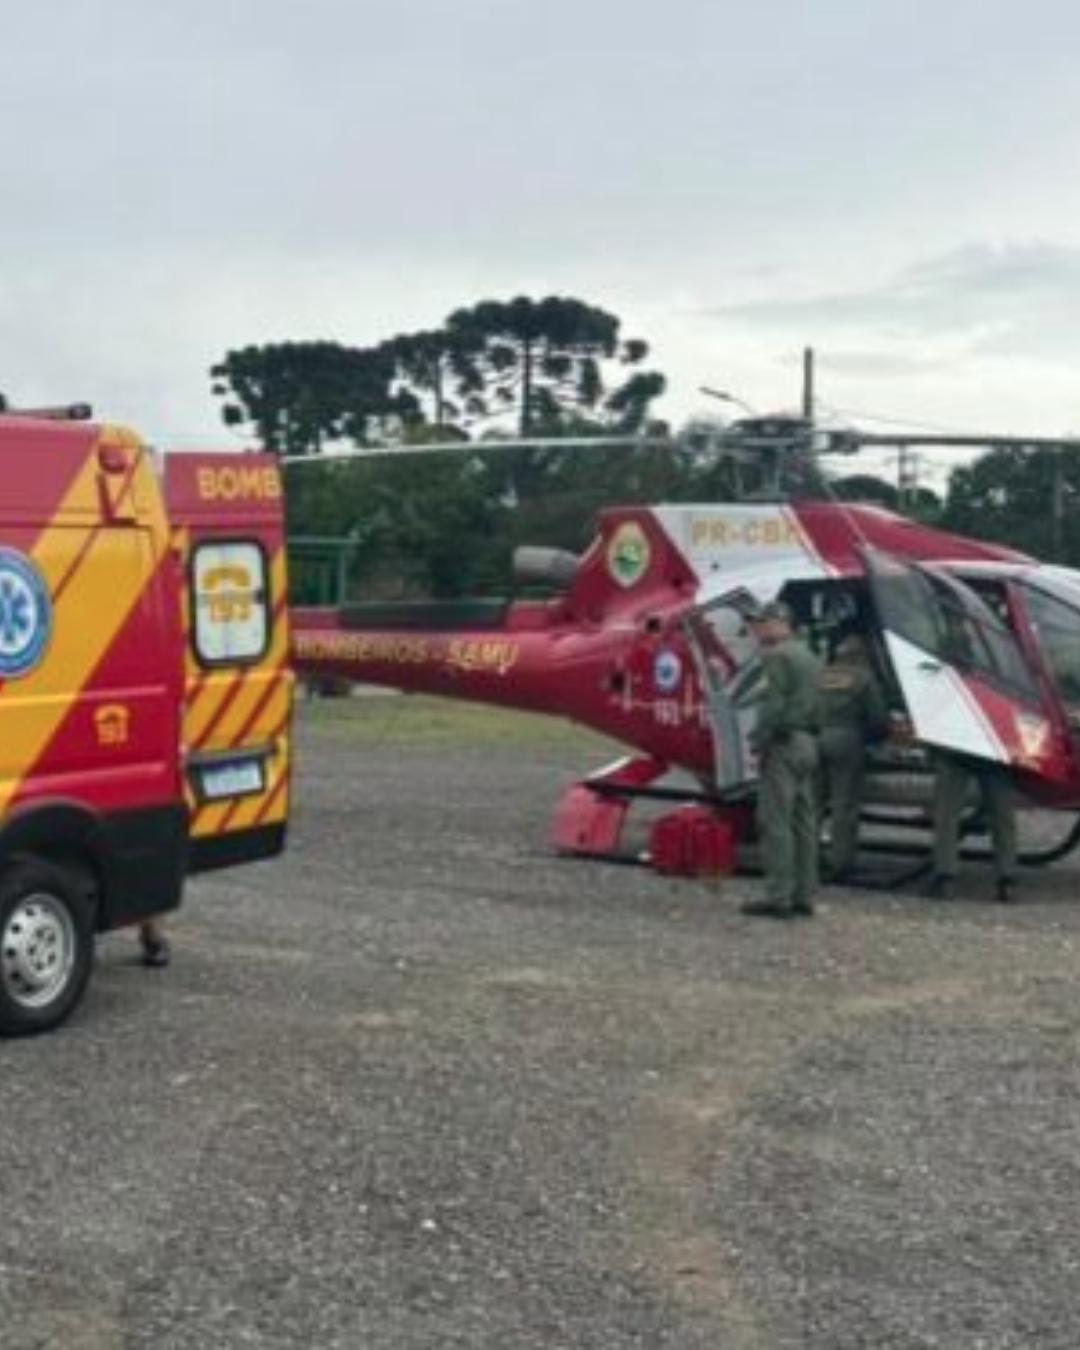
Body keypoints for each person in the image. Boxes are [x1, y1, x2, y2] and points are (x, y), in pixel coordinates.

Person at [742, 600, 822, 919]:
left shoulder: (778, 657)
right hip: (809, 742)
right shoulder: (810, 655)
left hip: (784, 743)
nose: (757, 629)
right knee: (804, 822)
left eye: (763, 623)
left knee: (775, 820)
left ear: (780, 623)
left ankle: (778, 896)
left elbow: (773, 704)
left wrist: (758, 740)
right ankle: (805, 894)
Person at [818, 633, 888, 881]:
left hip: (816, 739)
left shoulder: (820, 674)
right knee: (843, 805)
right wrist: (872, 740)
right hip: (847, 741)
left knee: (814, 804)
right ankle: (841, 862)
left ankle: (809, 858)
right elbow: (878, 718)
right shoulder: (863, 677)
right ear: (861, 655)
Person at [927, 753, 1017, 903]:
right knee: (1002, 816)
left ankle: (945, 876)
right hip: (993, 754)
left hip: (955, 751)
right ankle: (1006, 877)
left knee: (947, 814)